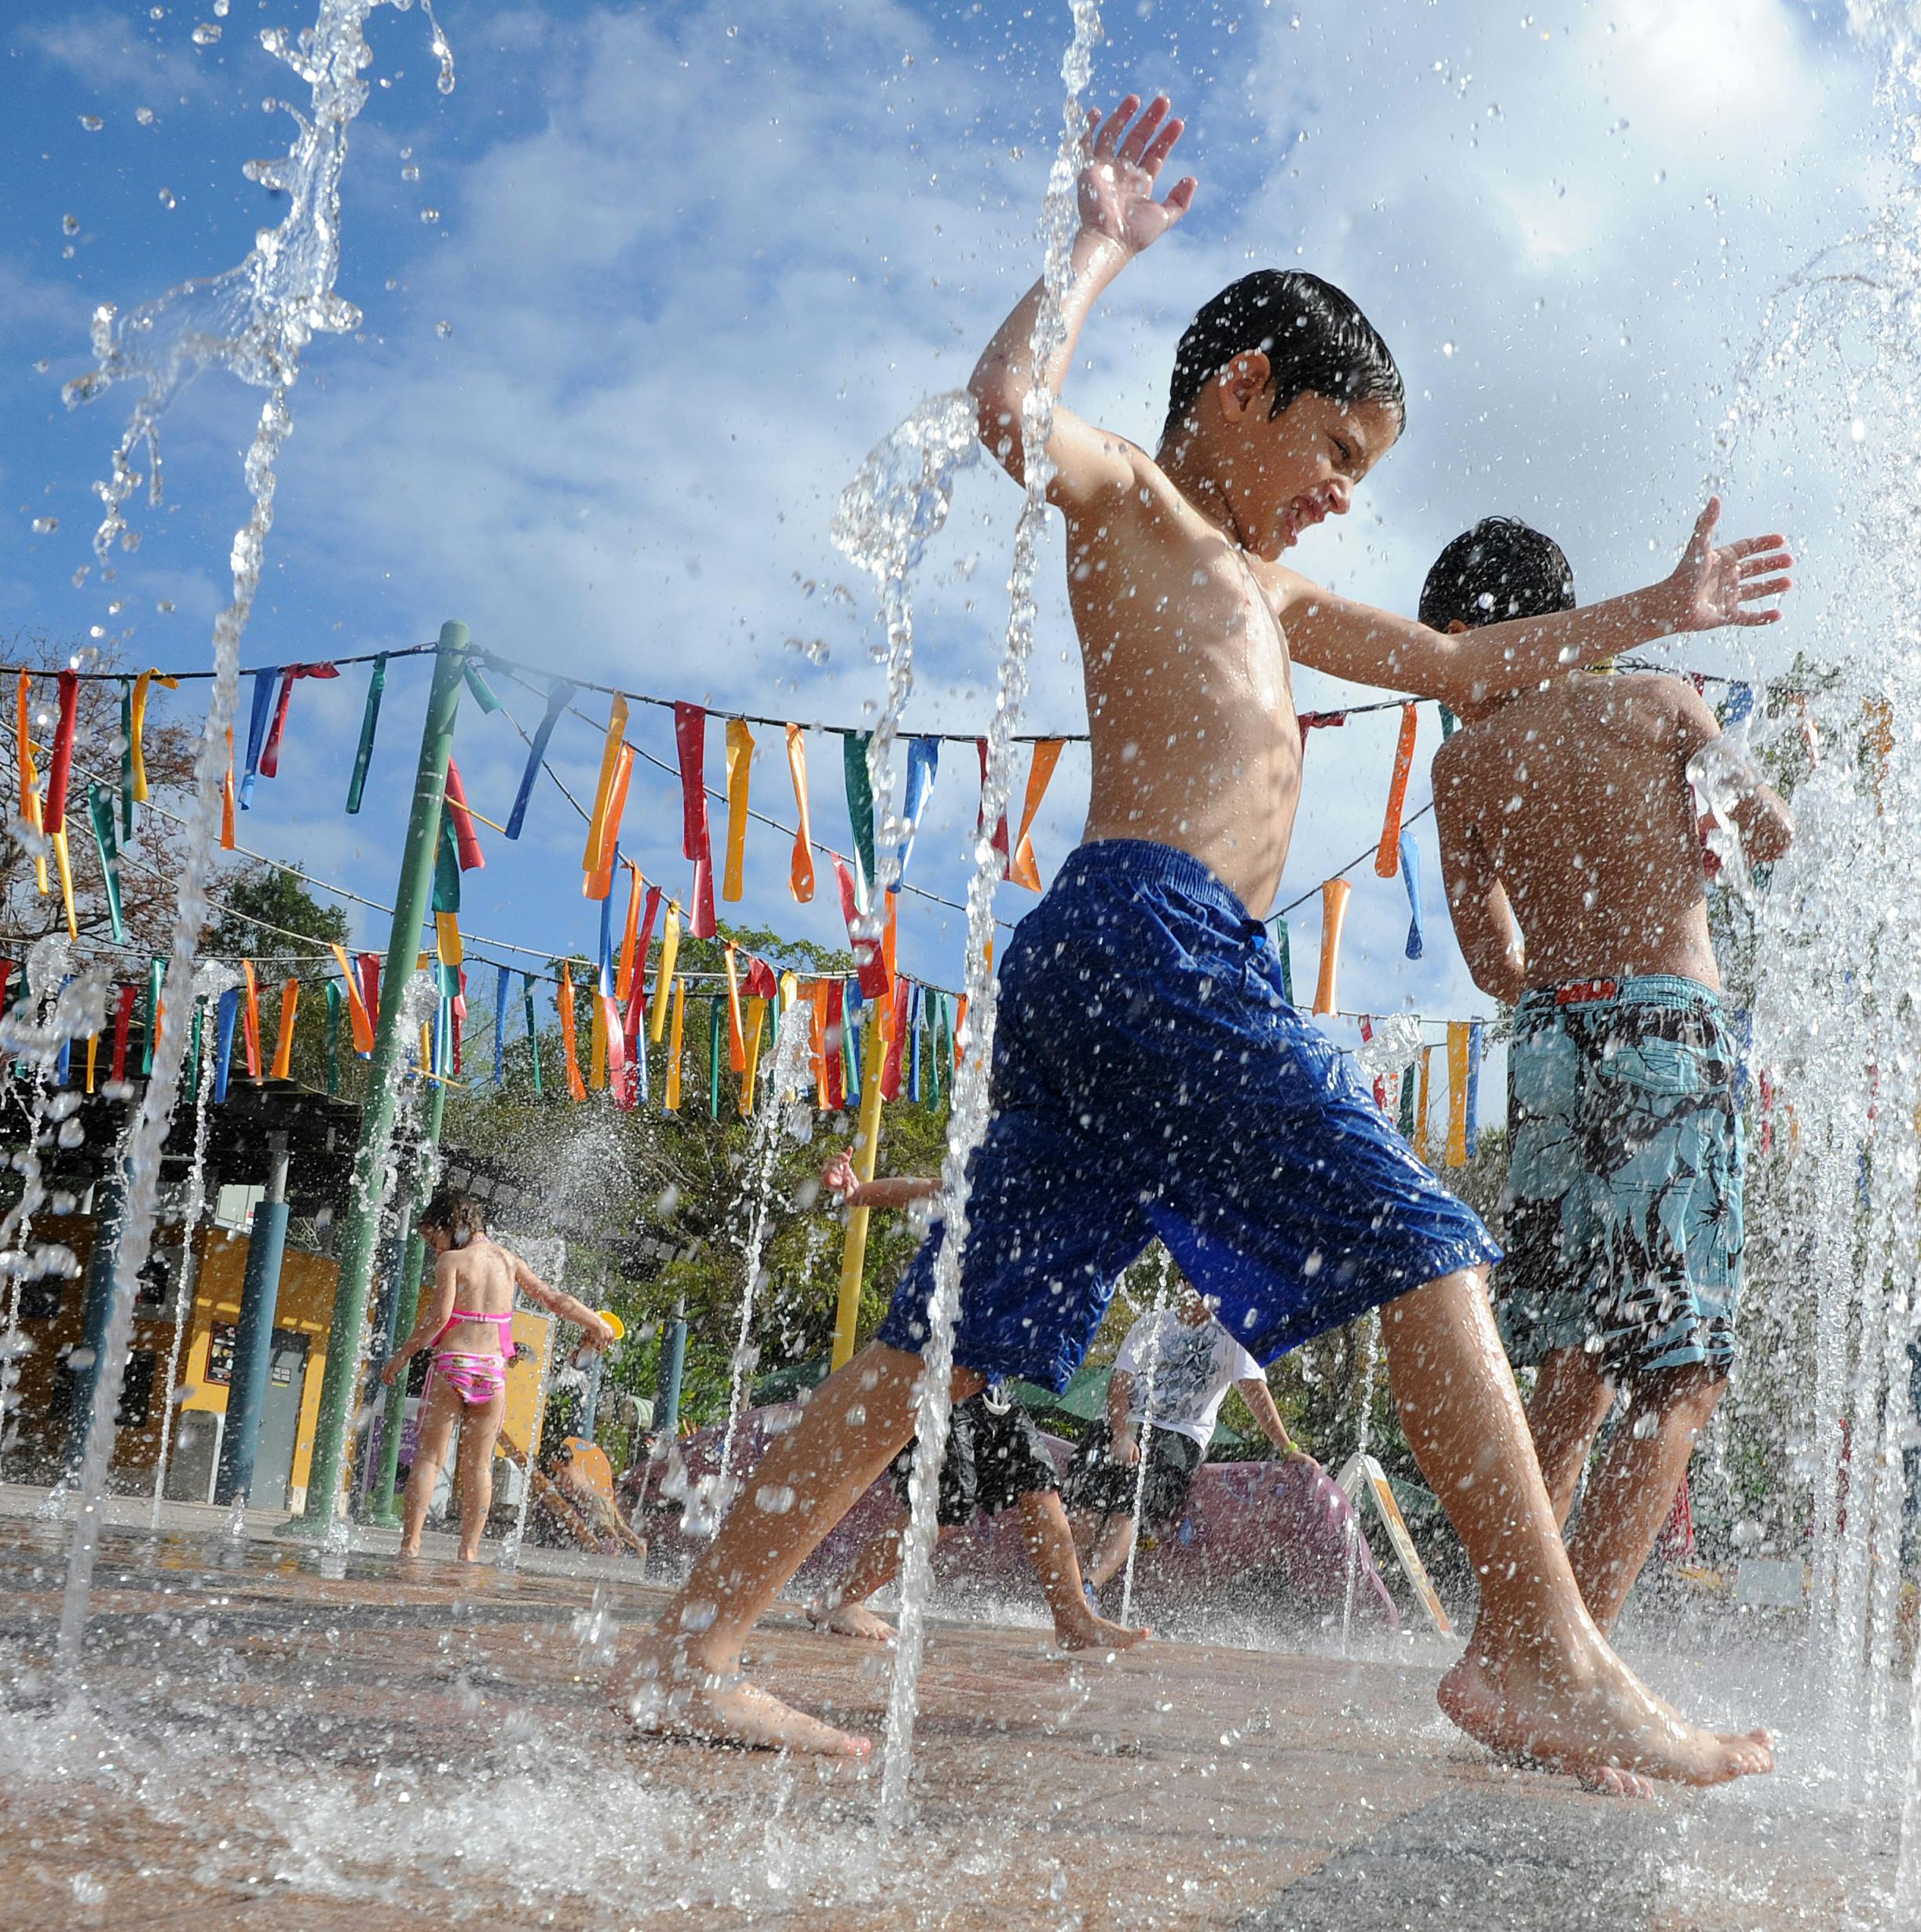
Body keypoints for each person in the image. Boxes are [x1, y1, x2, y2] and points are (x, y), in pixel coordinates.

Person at [622, 90, 1791, 1793]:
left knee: (942, 1340)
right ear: (1242, 389)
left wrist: (1657, 614)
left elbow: (1469, 668)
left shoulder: (1281, 597)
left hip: (1120, 974)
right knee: (1421, 1234)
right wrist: (1094, 243)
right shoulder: (1142, 518)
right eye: (1333, 451)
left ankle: (691, 1648)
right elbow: (1010, 409)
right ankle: (1535, 1653)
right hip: (1152, 935)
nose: (1335, 495)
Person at [1425, 516, 1792, 1630]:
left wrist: (1569, 971)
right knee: (1681, 1373)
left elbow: (1494, 963)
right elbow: (1771, 831)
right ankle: (1566, 1664)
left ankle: (1510, 1633)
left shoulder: (1462, 762)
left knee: (1573, 1374)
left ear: (1474, 638)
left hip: (1548, 1043)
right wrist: (1684, 863)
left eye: (1451, 657)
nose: (1452, 688)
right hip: (1669, 1032)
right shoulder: (1663, 703)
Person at [801, 1156, 1147, 1653]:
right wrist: (859, 1193)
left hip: (985, 1377)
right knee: (938, 1507)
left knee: (1039, 1485)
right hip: (930, 1369)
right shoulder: (1003, 1180)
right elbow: (922, 1189)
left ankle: (1073, 1617)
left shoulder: (1064, 1197)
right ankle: (838, 1598)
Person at [383, 1188, 618, 1564]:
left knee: (429, 1458)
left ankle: (410, 1545)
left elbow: (439, 1320)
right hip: (492, 1374)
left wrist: (401, 1357)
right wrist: (595, 1321)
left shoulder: (453, 1263)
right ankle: (469, 1551)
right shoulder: (509, 1261)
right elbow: (554, 1300)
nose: (434, 1248)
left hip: (452, 1365)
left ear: (453, 1225)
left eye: (433, 1238)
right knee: (479, 1466)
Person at [1074, 1285, 1320, 1592]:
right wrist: (1122, 1435)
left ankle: (1088, 1587)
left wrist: (1288, 1448)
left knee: (1131, 1505)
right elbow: (1119, 1385)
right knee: (1085, 1502)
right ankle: (1066, 1590)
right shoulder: (1150, 1324)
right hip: (1124, 1424)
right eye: (1188, 1280)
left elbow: (1253, 1389)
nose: (1193, 1289)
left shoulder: (1232, 1334)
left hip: (1179, 1436)